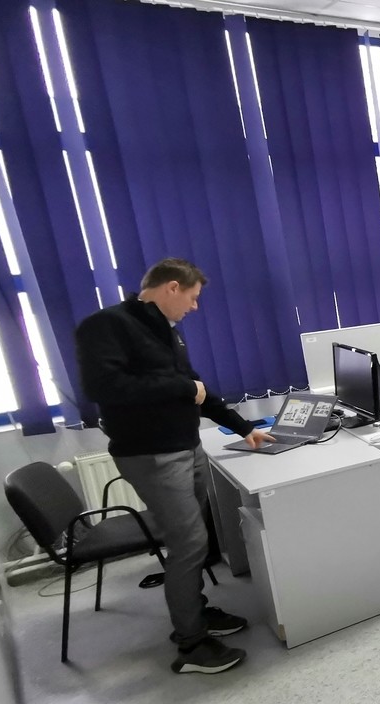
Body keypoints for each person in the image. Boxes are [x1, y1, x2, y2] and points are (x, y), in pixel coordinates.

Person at [74, 258, 270, 674]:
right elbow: (104, 386)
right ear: (172, 287)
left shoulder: (165, 331)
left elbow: (197, 390)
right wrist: (183, 386)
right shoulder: (107, 325)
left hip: (185, 447)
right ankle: (191, 645)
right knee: (190, 544)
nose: (195, 307)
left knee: (195, 539)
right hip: (152, 454)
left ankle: (194, 613)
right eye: (193, 298)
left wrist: (244, 428)